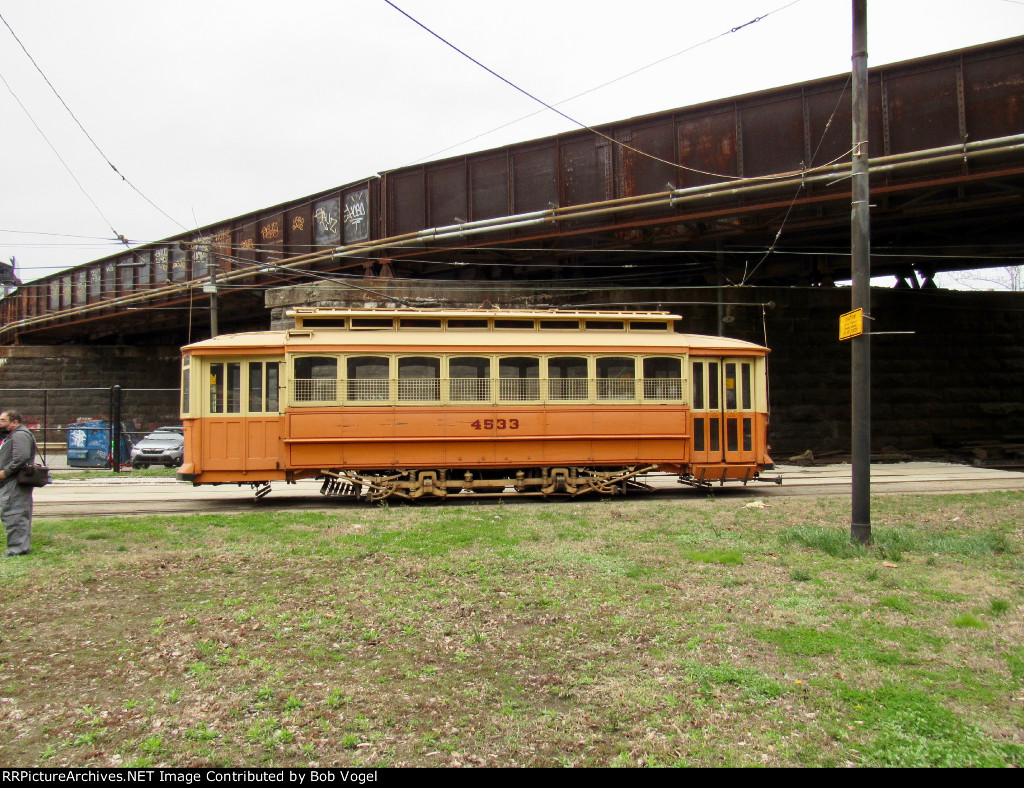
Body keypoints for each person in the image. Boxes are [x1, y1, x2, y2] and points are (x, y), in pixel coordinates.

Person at [0, 410, 36, 557]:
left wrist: (5, 472)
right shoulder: (14, 435)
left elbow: (20, 458)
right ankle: (20, 547)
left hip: (14, 482)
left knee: (14, 514)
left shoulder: (20, 435)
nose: (0, 423)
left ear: (14, 422)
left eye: (3, 420)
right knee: (15, 513)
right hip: (12, 481)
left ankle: (18, 549)